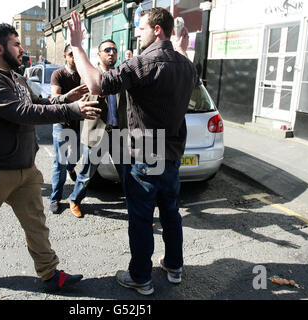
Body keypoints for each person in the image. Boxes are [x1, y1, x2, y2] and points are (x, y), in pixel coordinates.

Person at [0, 23, 101, 290]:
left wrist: (64, 99)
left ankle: (49, 273)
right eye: (16, 44)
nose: (22, 50)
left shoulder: (15, 76)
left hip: (24, 167)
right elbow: (23, 113)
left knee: (36, 222)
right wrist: (72, 109)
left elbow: (37, 104)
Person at [68, 8, 197, 295]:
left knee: (141, 219)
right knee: (171, 213)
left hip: (146, 156)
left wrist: (77, 46)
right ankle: (174, 267)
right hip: (173, 156)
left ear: (158, 30)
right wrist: (181, 49)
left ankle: (140, 277)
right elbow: (188, 77)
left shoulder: (142, 63)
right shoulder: (186, 65)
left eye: (141, 27)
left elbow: (95, 84)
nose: (137, 32)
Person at [67, 39, 127, 218]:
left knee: (126, 173)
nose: (111, 53)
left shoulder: (121, 75)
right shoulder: (90, 74)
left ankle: (136, 206)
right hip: (97, 131)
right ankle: (74, 200)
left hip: (117, 132)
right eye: (107, 50)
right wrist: (99, 92)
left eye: (114, 50)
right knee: (87, 173)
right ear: (99, 55)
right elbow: (83, 101)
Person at [49, 44, 88, 214]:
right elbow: (55, 98)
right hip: (62, 125)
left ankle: (71, 167)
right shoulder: (58, 74)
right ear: (65, 56)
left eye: (77, 54)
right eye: (71, 54)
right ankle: (55, 198)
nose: (74, 57)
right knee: (59, 163)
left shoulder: (83, 74)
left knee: (77, 155)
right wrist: (70, 96)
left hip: (80, 124)